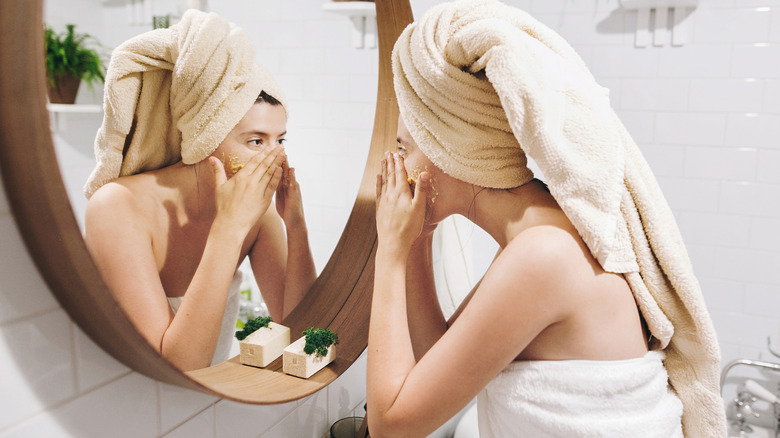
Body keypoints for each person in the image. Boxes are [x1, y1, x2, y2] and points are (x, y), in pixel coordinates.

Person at [368, 0, 726, 437]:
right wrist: (417, 242)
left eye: (405, 147)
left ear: (452, 148)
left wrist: (389, 252)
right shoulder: (543, 232)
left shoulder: (544, 255)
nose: (396, 164)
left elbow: (390, 425)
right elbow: (436, 366)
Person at [83, 10, 316, 371]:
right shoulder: (117, 207)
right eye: (256, 140)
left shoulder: (258, 214)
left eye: (280, 139)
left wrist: (296, 226)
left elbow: (300, 328)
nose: (276, 156)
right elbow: (176, 370)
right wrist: (228, 229)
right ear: (206, 140)